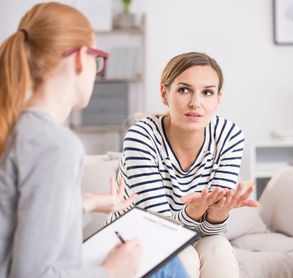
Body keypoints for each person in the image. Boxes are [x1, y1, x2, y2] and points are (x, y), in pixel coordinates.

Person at [0, 3, 187, 278]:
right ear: (80, 58)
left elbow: (24, 229)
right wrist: (111, 272)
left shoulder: (18, 129)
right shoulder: (54, 144)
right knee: (164, 264)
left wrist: (87, 203)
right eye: (98, 59)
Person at [109, 52, 260, 277]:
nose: (195, 103)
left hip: (189, 235)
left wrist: (218, 213)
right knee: (185, 256)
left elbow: (213, 232)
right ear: (164, 94)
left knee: (218, 247)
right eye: (183, 90)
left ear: (218, 99)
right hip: (134, 240)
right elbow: (159, 230)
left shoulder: (228, 135)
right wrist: (194, 212)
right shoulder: (142, 136)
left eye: (207, 92)